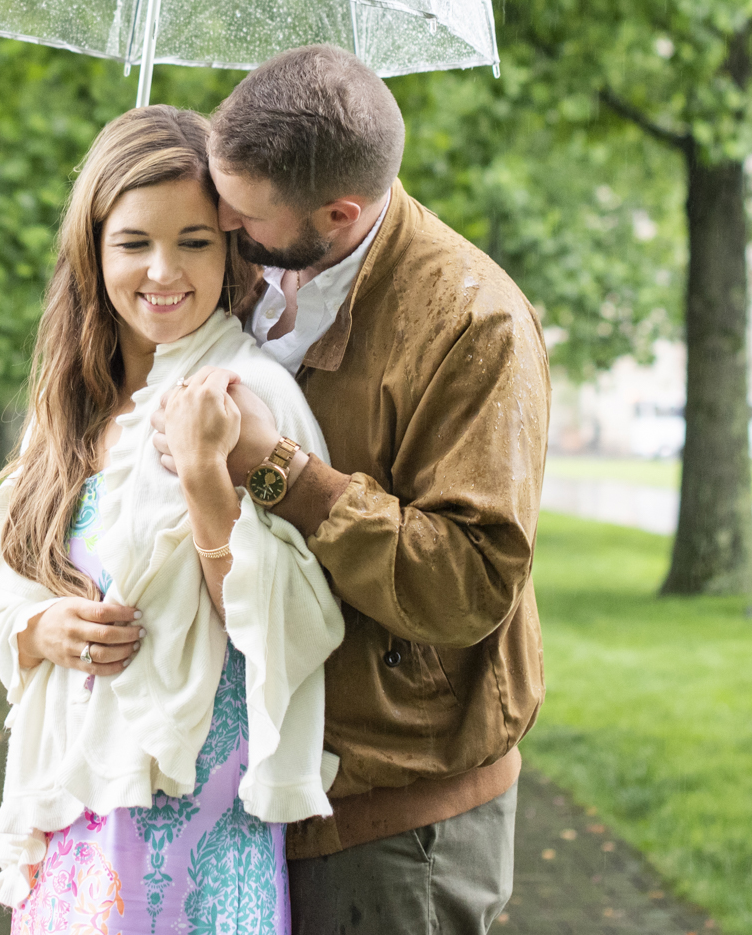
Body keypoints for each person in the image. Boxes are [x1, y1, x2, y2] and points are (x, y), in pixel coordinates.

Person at [151, 45, 550, 933]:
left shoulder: (474, 323)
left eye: (242, 211)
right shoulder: (255, 266)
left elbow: (469, 583)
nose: (220, 219)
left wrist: (279, 469)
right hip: (259, 795)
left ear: (340, 213)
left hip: (397, 815)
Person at [0, 105, 346, 933]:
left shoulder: (252, 396)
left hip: (196, 820)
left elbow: (295, 624)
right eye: (134, 241)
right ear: (93, 249)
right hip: (75, 819)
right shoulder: (66, 414)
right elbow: (7, 584)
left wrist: (210, 481)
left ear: (232, 248)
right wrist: (42, 631)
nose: (163, 270)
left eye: (195, 241)